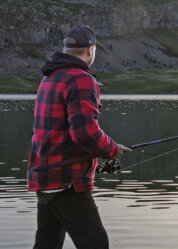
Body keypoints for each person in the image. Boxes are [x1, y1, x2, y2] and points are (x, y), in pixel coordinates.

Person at [27, 25, 131, 249]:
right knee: (96, 243)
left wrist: (109, 147)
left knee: (47, 244)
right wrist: (113, 149)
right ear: (90, 50)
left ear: (66, 48)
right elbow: (85, 134)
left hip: (43, 175)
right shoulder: (81, 79)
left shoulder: (49, 77)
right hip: (67, 180)